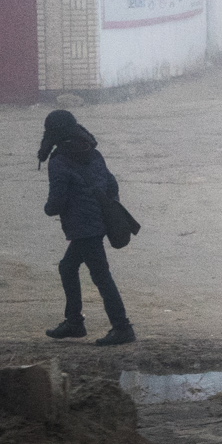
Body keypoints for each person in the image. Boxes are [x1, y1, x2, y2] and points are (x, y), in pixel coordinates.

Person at [38, 109, 136, 346]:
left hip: (83, 227)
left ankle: (121, 327)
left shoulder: (59, 159)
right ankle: (74, 322)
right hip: (98, 222)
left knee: (100, 275)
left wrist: (49, 209)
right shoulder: (93, 153)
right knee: (68, 268)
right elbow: (112, 185)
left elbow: (57, 201)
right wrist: (101, 209)